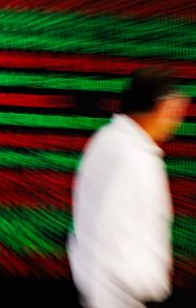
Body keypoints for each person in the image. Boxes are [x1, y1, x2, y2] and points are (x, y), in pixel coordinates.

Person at [68, 68, 190, 308]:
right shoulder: (131, 156)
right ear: (162, 107)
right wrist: (149, 281)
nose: (177, 120)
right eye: (176, 110)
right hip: (116, 296)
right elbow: (112, 231)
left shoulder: (110, 141)